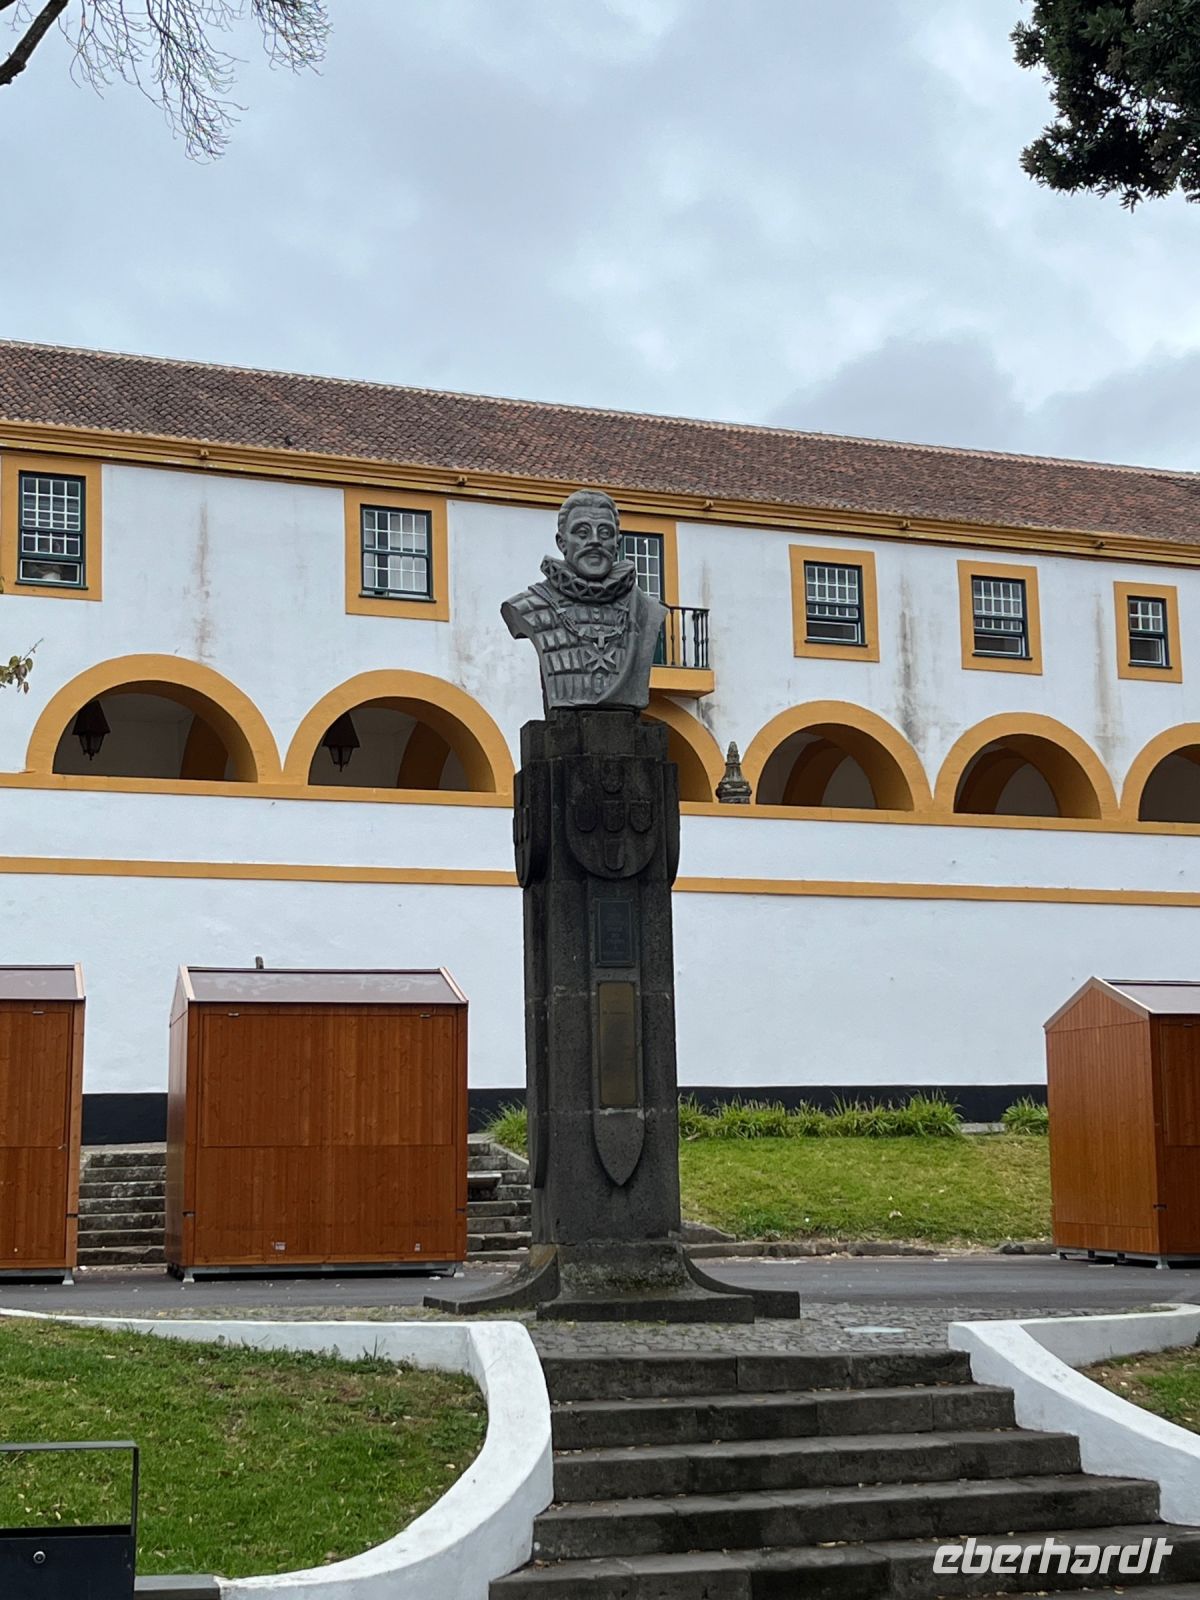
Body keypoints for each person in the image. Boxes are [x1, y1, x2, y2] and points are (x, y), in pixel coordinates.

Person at [501, 488, 665, 711]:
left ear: (617, 542)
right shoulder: (526, 606)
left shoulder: (646, 610)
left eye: (605, 533)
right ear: (562, 542)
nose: (595, 541)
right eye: (582, 532)